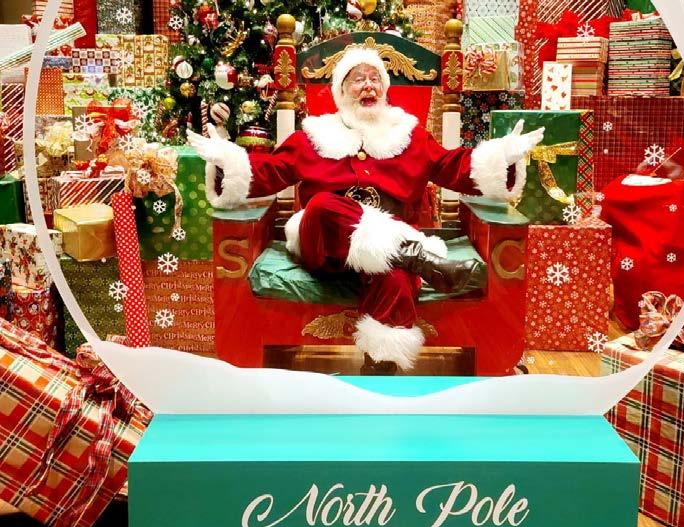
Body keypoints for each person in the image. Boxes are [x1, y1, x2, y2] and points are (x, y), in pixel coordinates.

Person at [188, 47, 544, 375]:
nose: (368, 86)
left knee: (395, 274)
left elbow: (454, 166)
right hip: (324, 246)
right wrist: (227, 160)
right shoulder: (316, 135)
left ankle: (380, 369)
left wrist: (502, 156)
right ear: (342, 91)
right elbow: (270, 171)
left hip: (388, 254)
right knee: (323, 205)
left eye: (375, 79)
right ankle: (421, 259)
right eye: (358, 79)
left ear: (385, 89)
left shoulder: (409, 136)